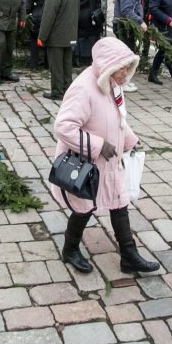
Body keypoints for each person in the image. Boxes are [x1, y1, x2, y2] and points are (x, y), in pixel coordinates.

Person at [51, 37, 158, 276]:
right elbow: (64, 126)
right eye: (123, 68)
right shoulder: (83, 88)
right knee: (84, 207)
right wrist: (97, 146)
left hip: (109, 162)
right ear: (109, 65)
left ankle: (129, 256)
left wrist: (130, 139)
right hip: (85, 164)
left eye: (129, 67)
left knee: (120, 203)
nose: (127, 73)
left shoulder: (112, 84)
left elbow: (118, 119)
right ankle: (70, 249)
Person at [37, 0, 80, 101]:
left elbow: (48, 18)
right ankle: (68, 90)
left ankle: (57, 92)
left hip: (56, 37)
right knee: (67, 66)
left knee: (56, 67)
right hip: (70, 36)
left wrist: (42, 37)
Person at [112, 0, 147, 92]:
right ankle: (122, 83)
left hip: (126, 26)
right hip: (124, 27)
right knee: (125, 56)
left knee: (127, 54)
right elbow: (127, 10)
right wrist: (140, 21)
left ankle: (124, 81)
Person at [67, 0, 108, 66]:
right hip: (91, 17)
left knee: (79, 36)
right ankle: (91, 59)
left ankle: (78, 59)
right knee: (92, 37)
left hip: (76, 17)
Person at [24, 0, 52, 69]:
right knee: (47, 41)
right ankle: (48, 65)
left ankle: (33, 65)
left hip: (35, 18)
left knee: (33, 41)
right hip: (48, 17)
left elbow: (27, 8)